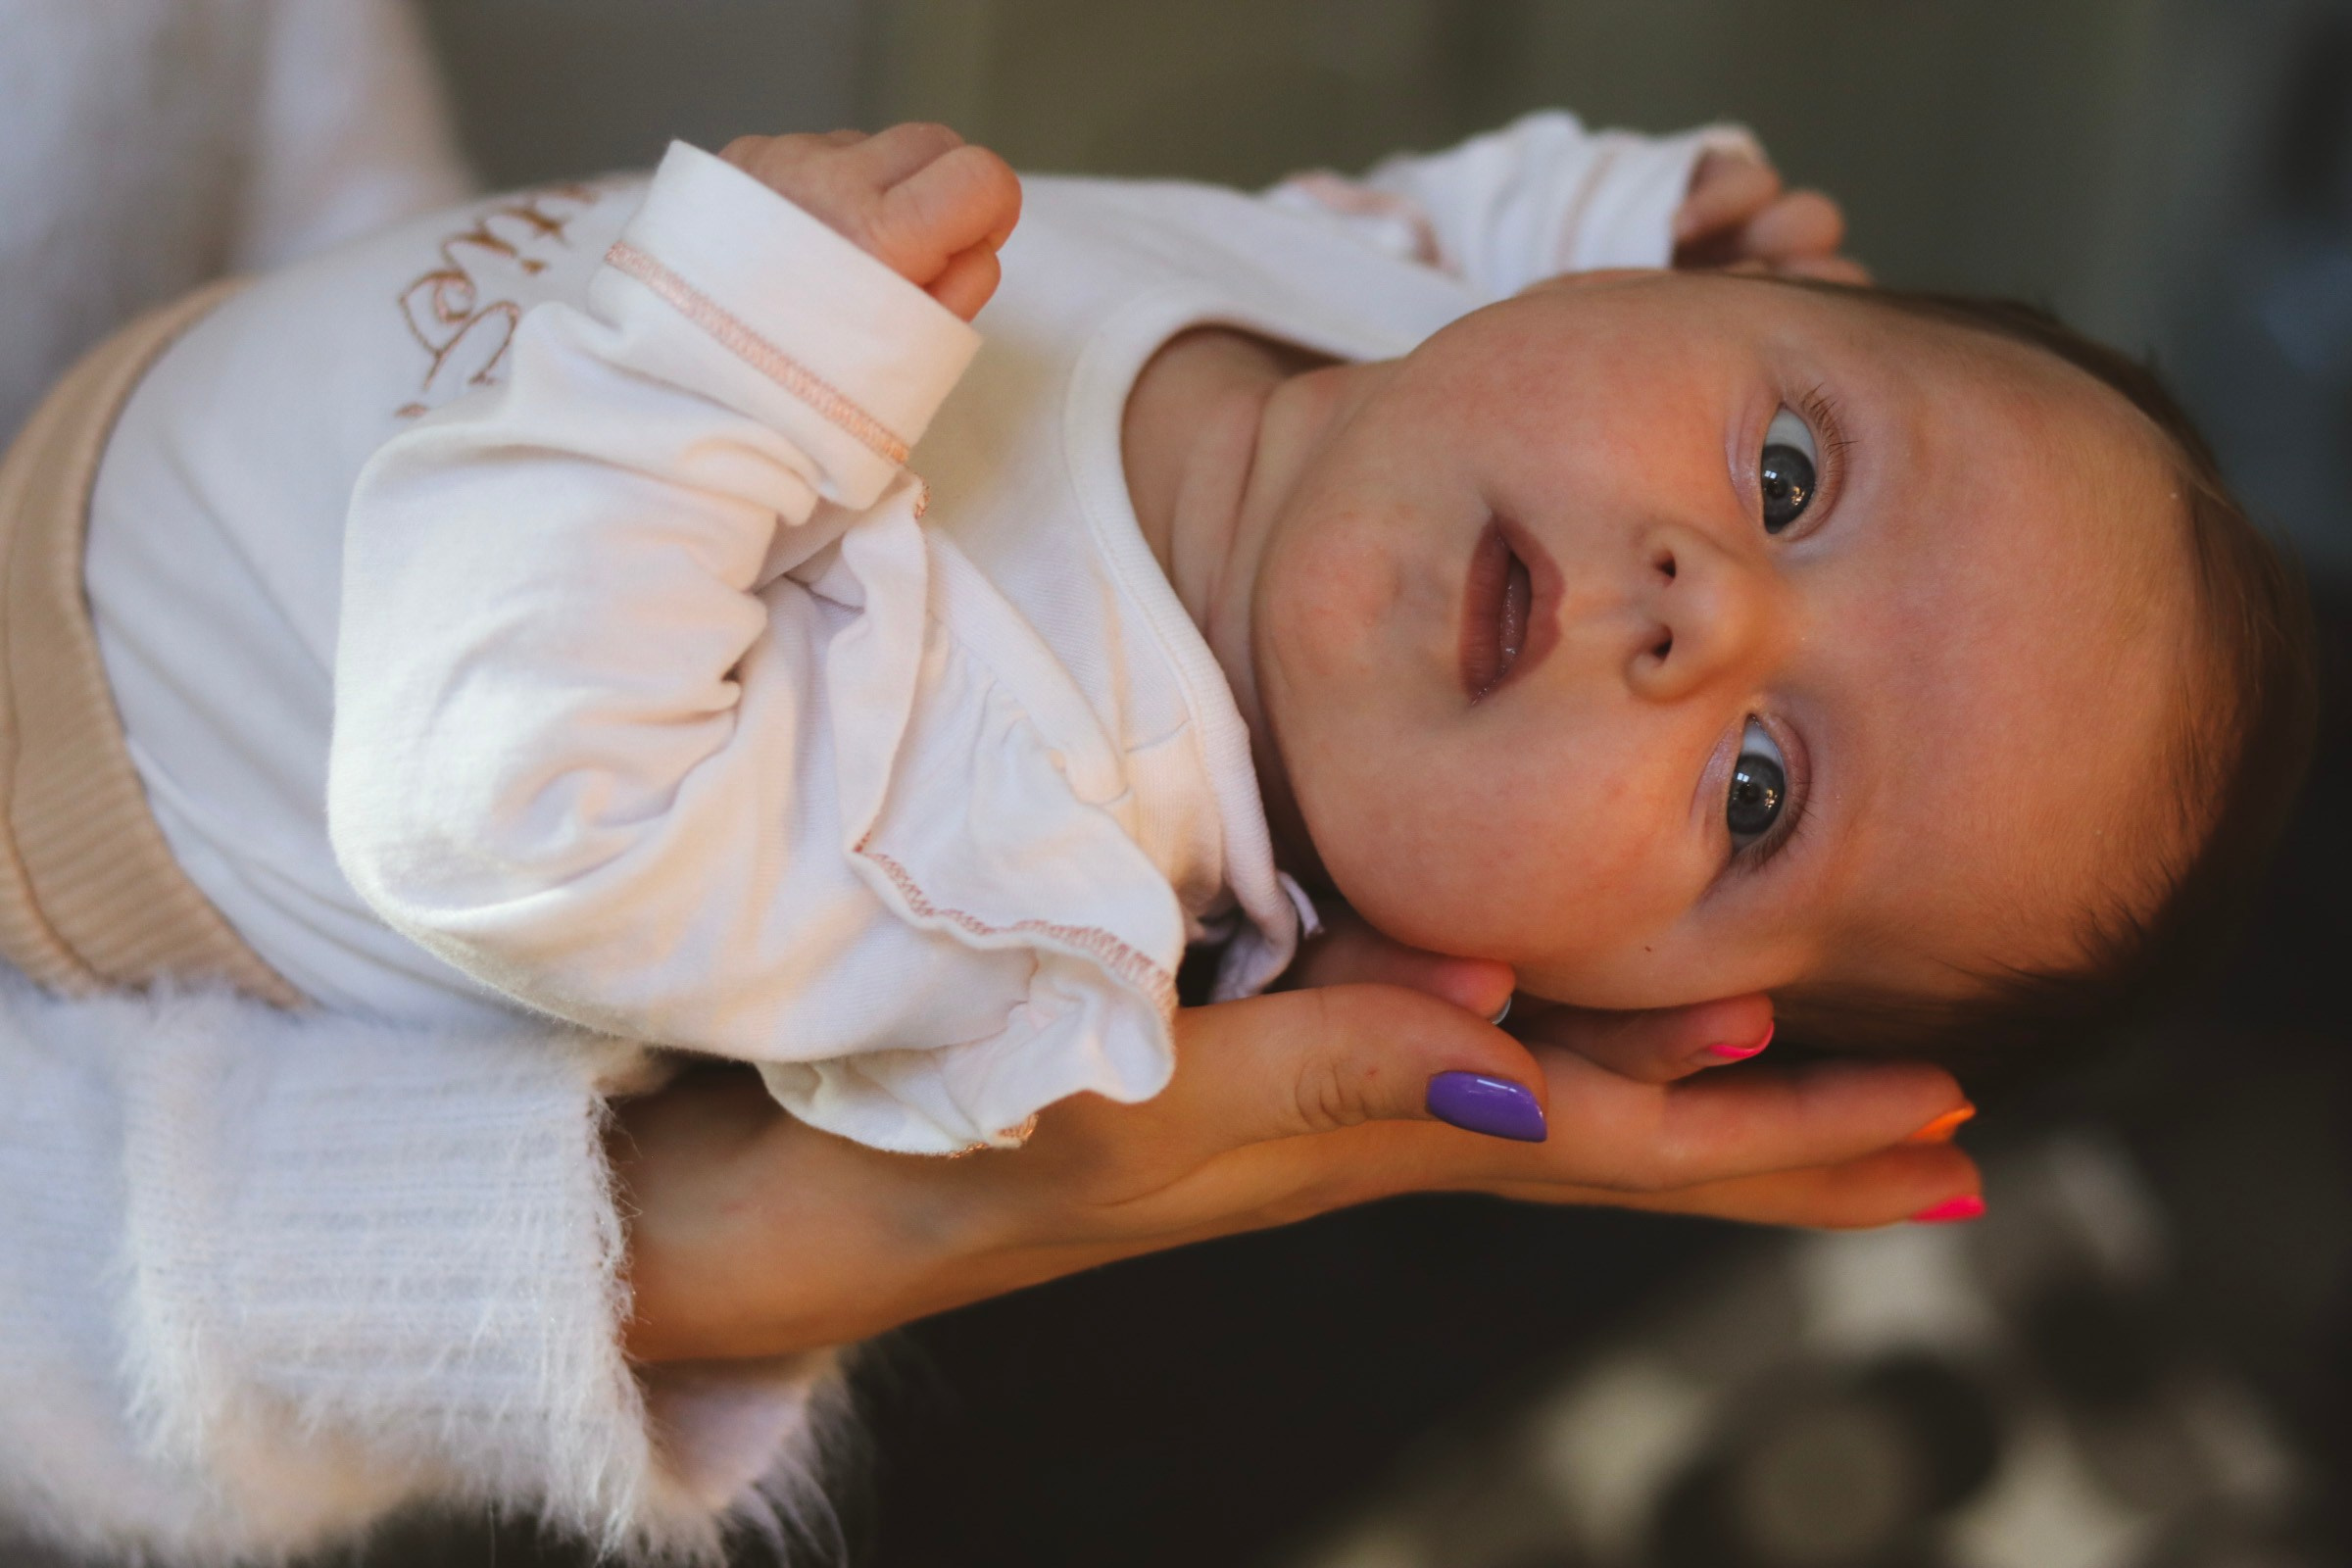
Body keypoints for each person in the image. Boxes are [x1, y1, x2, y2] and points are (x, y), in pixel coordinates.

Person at [0, 109, 2283, 1564]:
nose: (1708, 603)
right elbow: (1490, 227)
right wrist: (1647, 204)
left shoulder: (1040, 890)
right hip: (126, 381)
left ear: (1622, 996)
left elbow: (499, 807)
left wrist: (707, 365)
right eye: (1792, 469)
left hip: (86, 756)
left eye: (1761, 788)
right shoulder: (1401, 318)